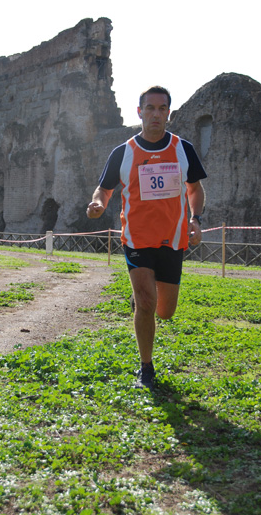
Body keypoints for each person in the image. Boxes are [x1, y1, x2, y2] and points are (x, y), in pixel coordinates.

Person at [87, 86, 207, 391]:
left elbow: (194, 189)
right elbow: (104, 188)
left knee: (165, 311)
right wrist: (99, 203)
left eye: (162, 108)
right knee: (145, 302)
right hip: (137, 238)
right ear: (139, 112)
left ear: (168, 113)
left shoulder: (183, 149)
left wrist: (195, 219)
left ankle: (144, 300)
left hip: (173, 238)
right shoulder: (123, 152)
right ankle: (146, 367)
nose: (155, 114)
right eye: (149, 108)